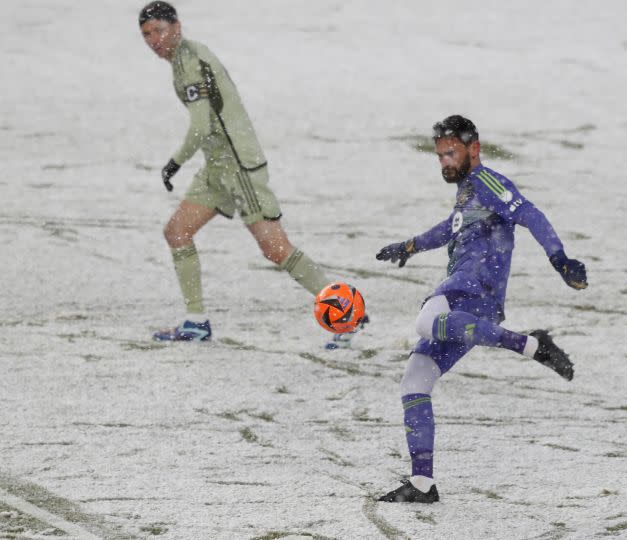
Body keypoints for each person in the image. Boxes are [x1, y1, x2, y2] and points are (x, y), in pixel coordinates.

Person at [374, 115, 588, 503]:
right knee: (415, 381)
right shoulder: (467, 193)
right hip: (473, 315)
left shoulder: (488, 182)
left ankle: (529, 345)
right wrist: (410, 246)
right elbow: (450, 227)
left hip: (469, 289)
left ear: (474, 148)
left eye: (451, 153)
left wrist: (560, 259)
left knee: (424, 321)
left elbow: (531, 214)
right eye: (440, 155)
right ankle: (422, 484)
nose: (445, 162)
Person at [139, 2, 352, 345]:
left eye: (159, 31)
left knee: (276, 249)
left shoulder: (191, 62)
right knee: (177, 232)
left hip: (238, 168)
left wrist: (175, 162)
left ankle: (346, 312)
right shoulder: (181, 59)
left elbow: (200, 125)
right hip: (218, 167)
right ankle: (196, 322)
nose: (153, 40)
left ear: (177, 27)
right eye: (147, 34)